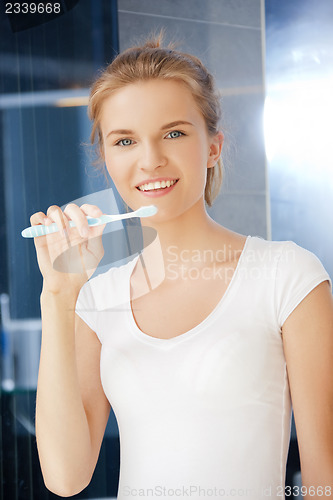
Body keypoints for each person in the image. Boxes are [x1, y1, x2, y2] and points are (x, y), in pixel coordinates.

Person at [31, 32, 333, 499]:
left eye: (173, 133)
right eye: (125, 141)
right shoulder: (97, 299)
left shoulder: (286, 277)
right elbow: (66, 477)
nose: (150, 160)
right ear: (106, 159)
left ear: (213, 146)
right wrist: (59, 294)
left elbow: (323, 477)